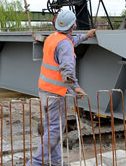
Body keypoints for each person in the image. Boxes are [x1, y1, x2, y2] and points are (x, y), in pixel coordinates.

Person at [27, 9, 96, 166]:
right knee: (55, 131)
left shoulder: (53, 38)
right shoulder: (65, 43)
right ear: (74, 25)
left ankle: (56, 162)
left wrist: (86, 36)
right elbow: (67, 72)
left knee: (52, 129)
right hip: (56, 94)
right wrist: (76, 87)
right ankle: (35, 163)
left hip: (44, 91)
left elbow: (70, 42)